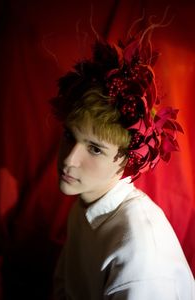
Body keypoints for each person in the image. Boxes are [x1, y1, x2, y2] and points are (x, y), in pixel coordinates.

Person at [51, 21, 195, 299]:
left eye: (94, 149)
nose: (69, 159)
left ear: (127, 160)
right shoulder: (83, 205)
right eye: (70, 135)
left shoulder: (139, 248)